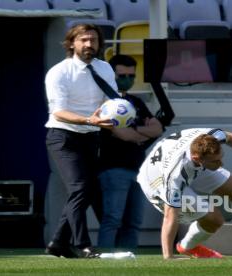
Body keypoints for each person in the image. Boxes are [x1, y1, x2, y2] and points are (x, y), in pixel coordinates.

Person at [137, 128, 232, 259]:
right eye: (215, 161)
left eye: (221, 157)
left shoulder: (211, 137)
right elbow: (170, 217)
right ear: (197, 159)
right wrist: (168, 256)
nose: (221, 164)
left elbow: (230, 137)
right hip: (155, 181)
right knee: (214, 219)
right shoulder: (175, 176)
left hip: (182, 160)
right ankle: (187, 246)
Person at [44, 23, 118, 258]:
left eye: (93, 40)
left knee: (83, 192)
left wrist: (116, 115)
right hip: (63, 136)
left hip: (91, 137)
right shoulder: (59, 72)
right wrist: (89, 120)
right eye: (83, 40)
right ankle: (83, 244)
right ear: (71, 43)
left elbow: (111, 102)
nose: (89, 44)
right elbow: (59, 112)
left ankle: (58, 243)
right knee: (80, 188)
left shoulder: (105, 68)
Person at [97, 54, 163, 250]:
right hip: (113, 168)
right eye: (122, 75)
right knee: (112, 219)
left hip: (139, 169)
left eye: (131, 76)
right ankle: (105, 259)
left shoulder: (136, 102)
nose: (127, 80)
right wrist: (140, 132)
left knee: (133, 222)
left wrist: (134, 132)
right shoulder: (104, 104)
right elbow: (122, 135)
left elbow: (157, 129)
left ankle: (129, 261)